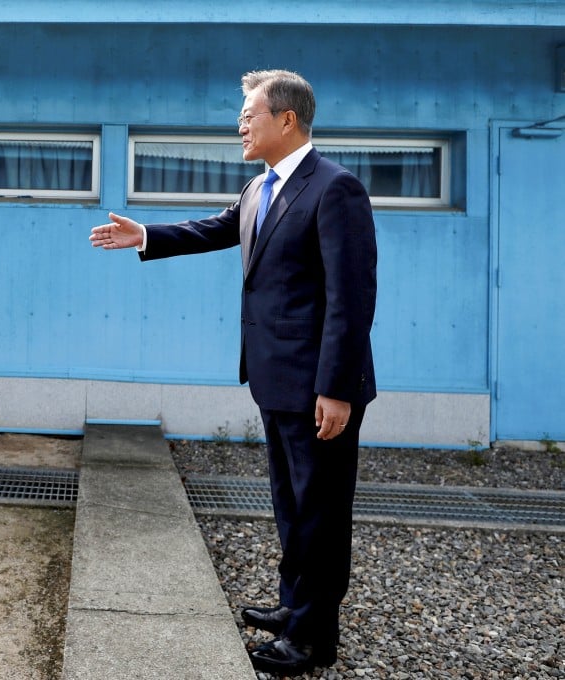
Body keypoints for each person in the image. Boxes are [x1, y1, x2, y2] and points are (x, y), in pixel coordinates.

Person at [89, 69, 377, 675]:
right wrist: (146, 234)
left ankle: (312, 639)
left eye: (250, 113)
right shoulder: (258, 189)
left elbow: (351, 298)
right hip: (274, 378)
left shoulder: (336, 189)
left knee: (320, 513)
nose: (240, 124)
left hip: (319, 387)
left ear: (287, 119)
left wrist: (336, 388)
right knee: (290, 504)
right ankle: (293, 606)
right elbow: (215, 229)